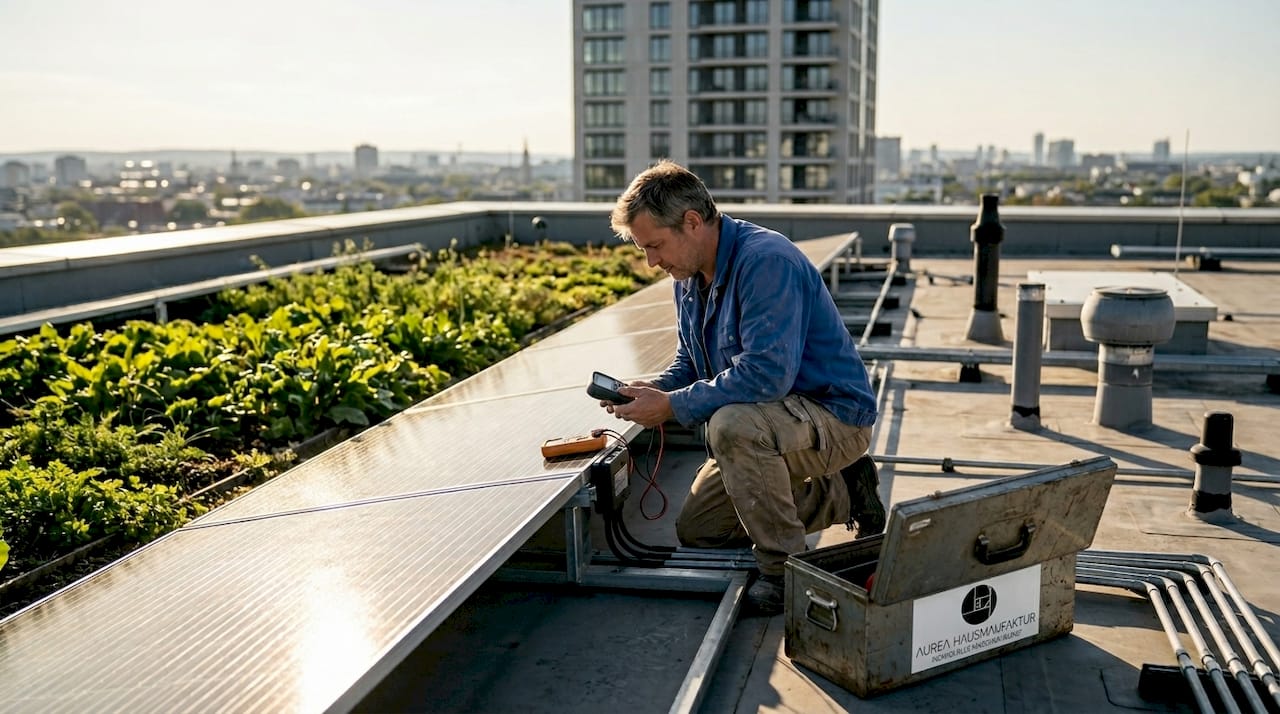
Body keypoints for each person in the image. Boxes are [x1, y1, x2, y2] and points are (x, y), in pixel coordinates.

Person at [601, 160, 883, 615]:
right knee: (700, 529)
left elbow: (767, 376)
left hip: (834, 418)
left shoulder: (765, 262)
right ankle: (847, 492)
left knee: (732, 425)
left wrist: (672, 406)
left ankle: (783, 570)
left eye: (655, 246)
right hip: (775, 422)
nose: (652, 261)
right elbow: (692, 363)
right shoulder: (689, 278)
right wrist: (650, 391)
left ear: (692, 222)